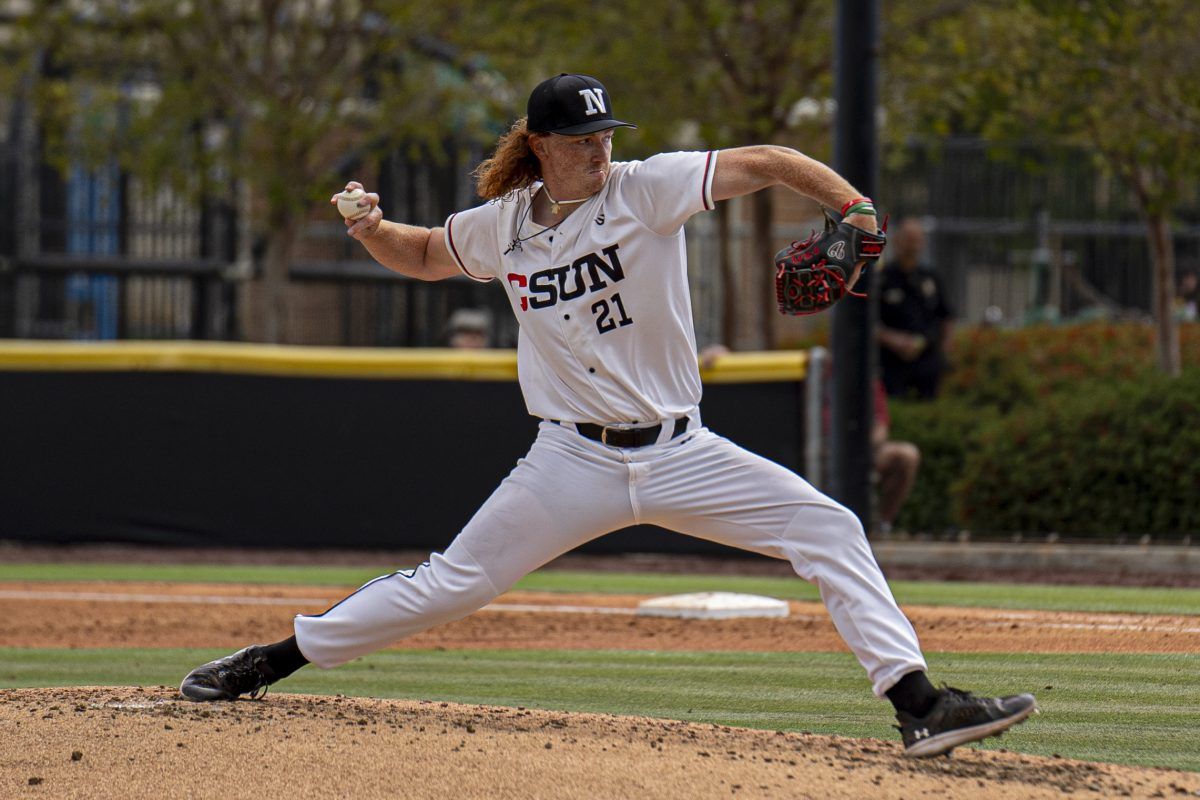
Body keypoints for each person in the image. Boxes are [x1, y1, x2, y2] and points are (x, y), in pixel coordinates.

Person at [179, 74, 1035, 757]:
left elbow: (770, 157)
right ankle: (269, 660)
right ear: (541, 145)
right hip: (570, 463)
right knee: (452, 584)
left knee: (831, 528)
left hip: (683, 451)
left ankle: (919, 705)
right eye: (583, 139)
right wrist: (371, 229)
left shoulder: (646, 190)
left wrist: (850, 208)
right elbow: (429, 254)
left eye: (605, 136)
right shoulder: (504, 226)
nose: (599, 149)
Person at [878, 219, 953, 400]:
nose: (912, 246)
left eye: (917, 240)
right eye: (908, 239)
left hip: (928, 360)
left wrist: (945, 353)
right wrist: (893, 339)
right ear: (896, 241)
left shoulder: (930, 277)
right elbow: (869, 322)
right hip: (892, 362)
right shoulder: (882, 279)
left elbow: (946, 316)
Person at [873, 380, 920, 536]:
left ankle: (882, 525)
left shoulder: (864, 376)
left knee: (906, 455)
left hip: (863, 450)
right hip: (811, 448)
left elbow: (881, 427)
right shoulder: (809, 370)